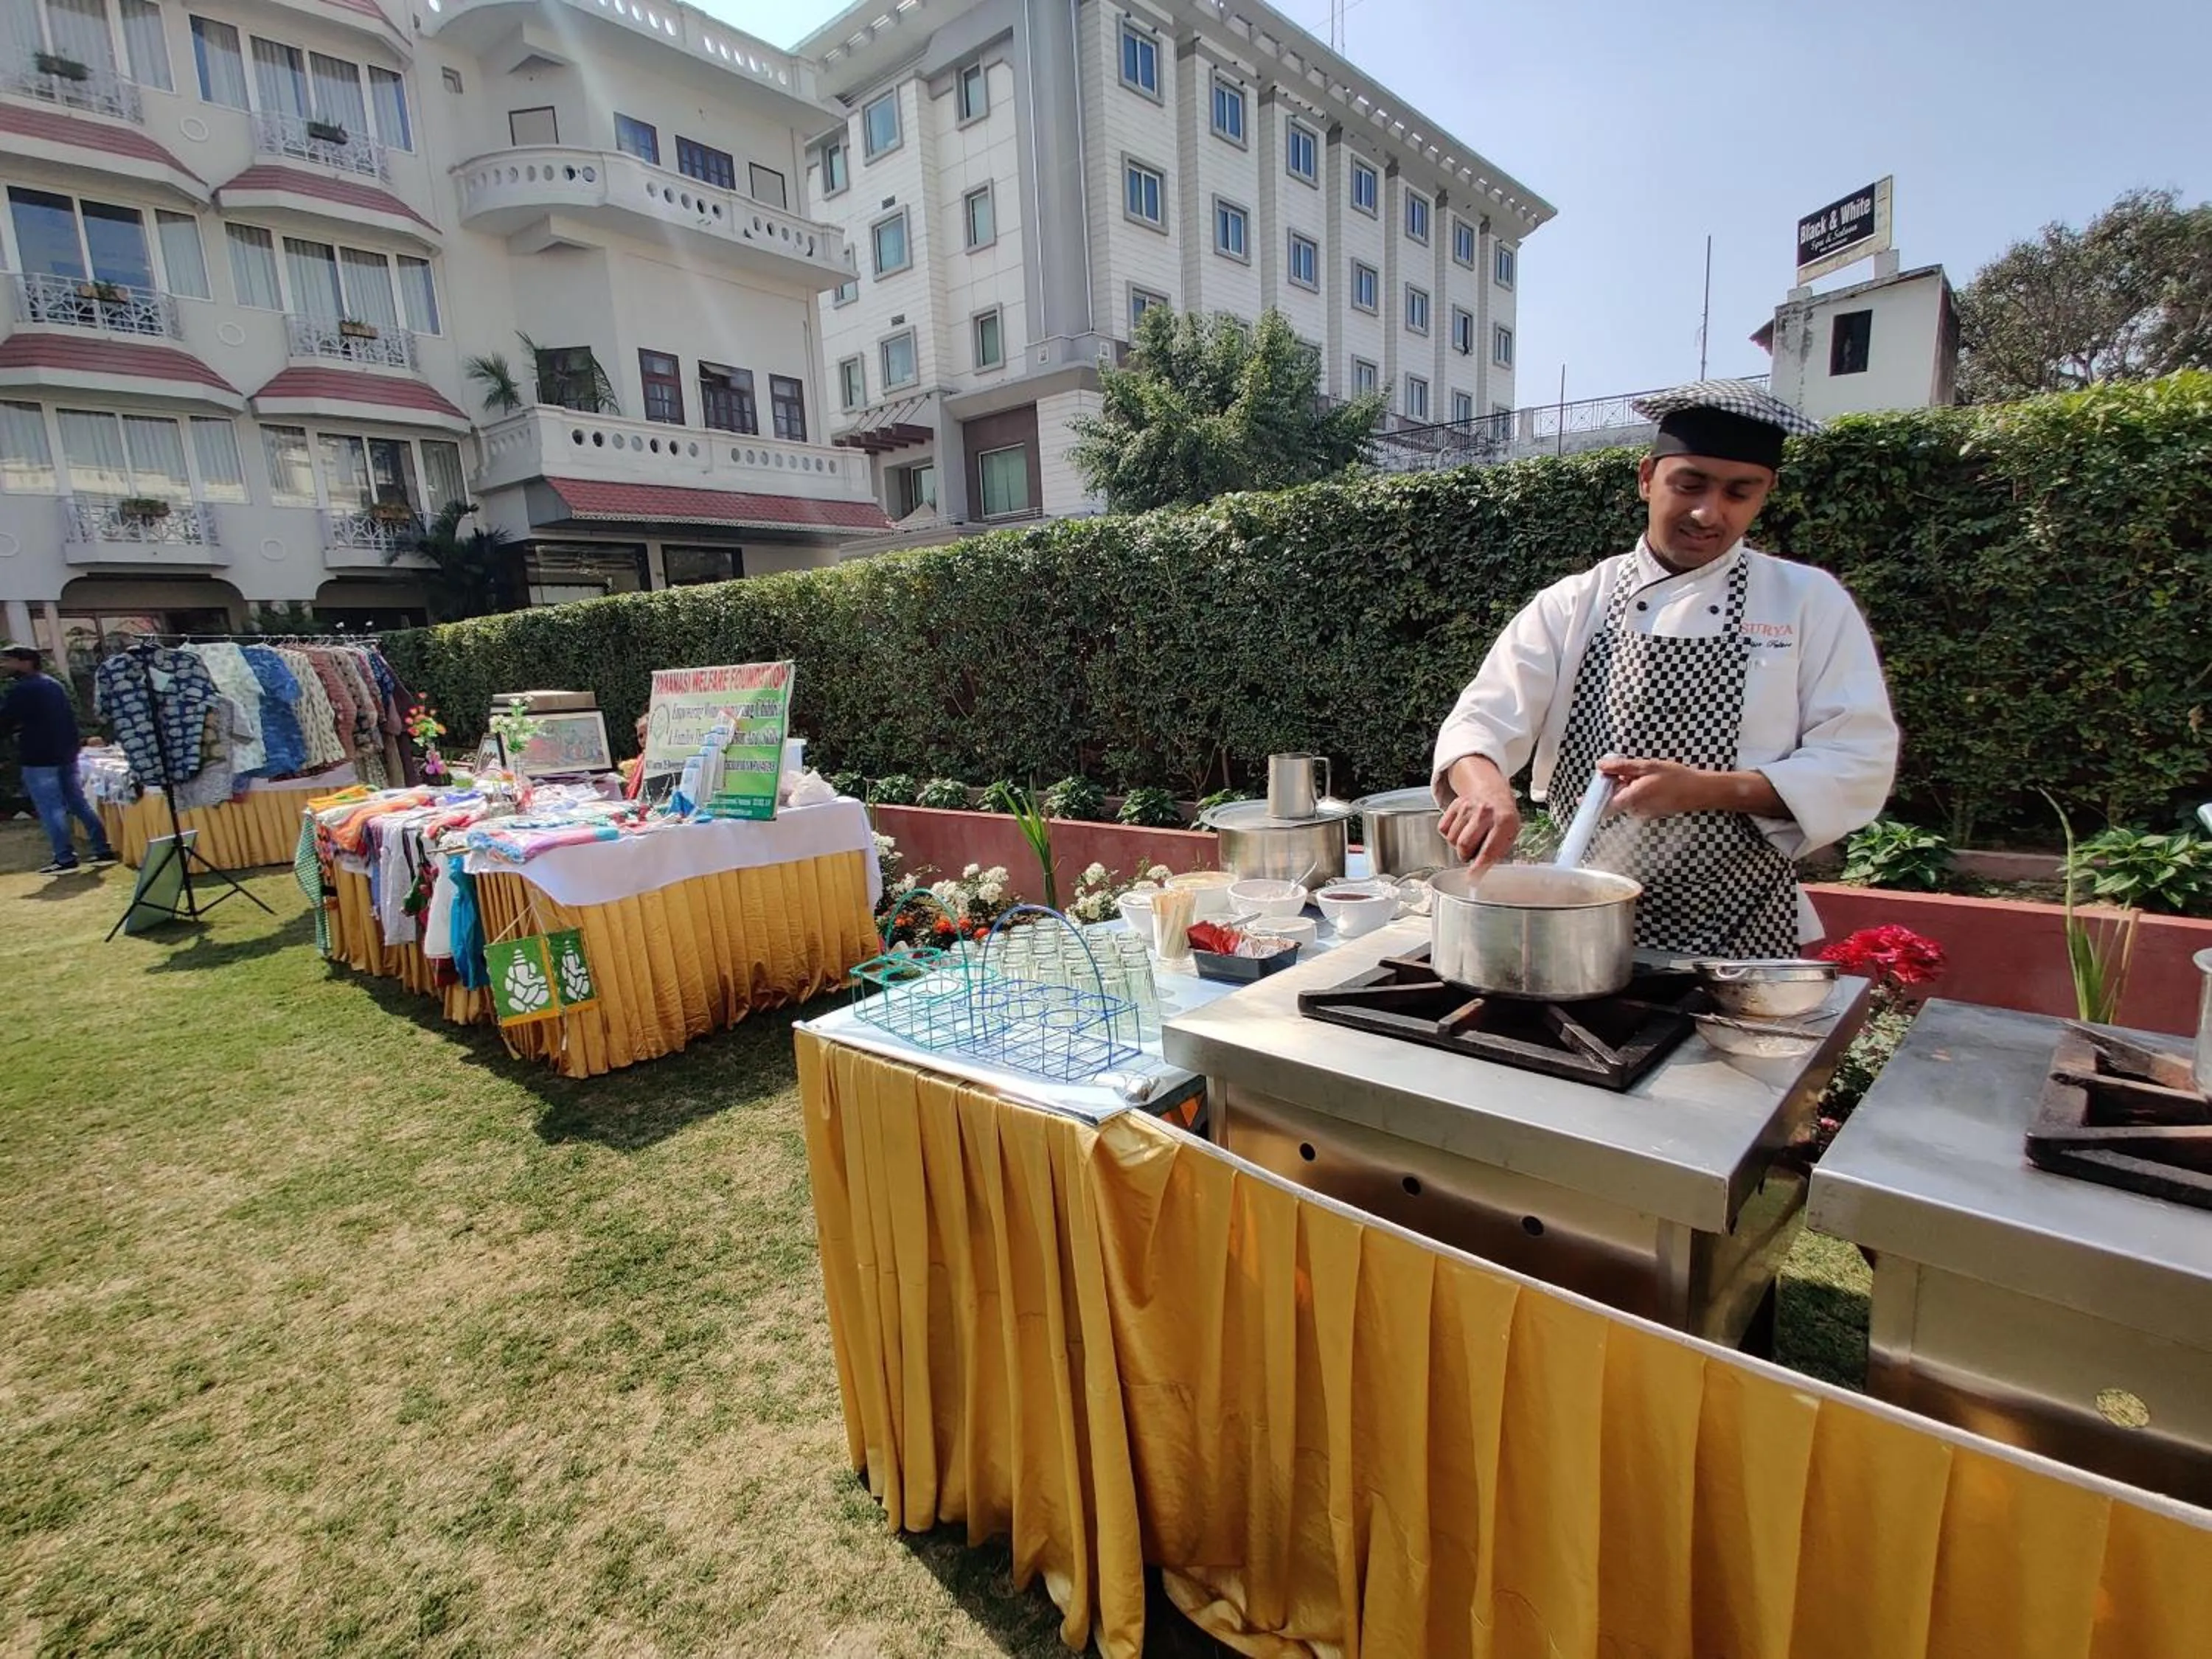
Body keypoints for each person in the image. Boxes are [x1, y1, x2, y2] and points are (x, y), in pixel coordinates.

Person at [1432, 380, 1899, 959]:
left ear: (1767, 493)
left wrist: (1708, 790)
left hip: (1742, 925)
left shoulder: (1807, 601)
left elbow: (1857, 760)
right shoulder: (1575, 603)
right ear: (1647, 477)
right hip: (1583, 917)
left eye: (1739, 492)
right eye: (1690, 484)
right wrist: (1485, 789)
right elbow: (1482, 719)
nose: (1708, 512)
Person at [1, 644, 120, 875]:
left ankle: (64, 857)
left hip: (39, 757)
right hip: (66, 753)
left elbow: (5, 721)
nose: (3, 666)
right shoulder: (54, 685)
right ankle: (102, 848)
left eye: (8, 660)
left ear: (26, 662)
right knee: (77, 803)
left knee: (51, 808)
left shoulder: (22, 690)